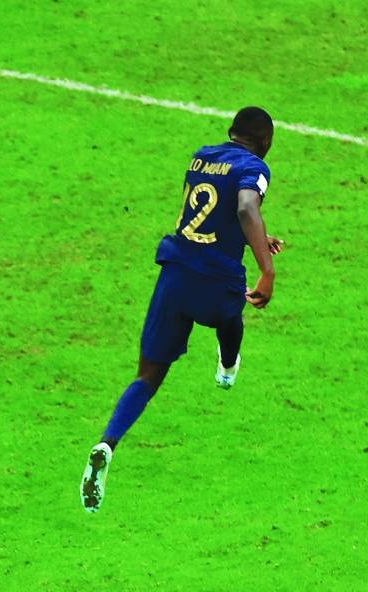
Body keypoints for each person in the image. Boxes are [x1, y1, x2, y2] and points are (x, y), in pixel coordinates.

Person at [80, 106, 283, 513]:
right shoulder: (255, 166)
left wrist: (258, 237)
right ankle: (227, 366)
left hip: (174, 274)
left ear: (230, 132)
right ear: (266, 142)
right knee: (234, 313)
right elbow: (245, 209)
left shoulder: (201, 156)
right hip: (216, 278)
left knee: (147, 377)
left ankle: (107, 443)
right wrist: (266, 267)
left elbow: (211, 218)